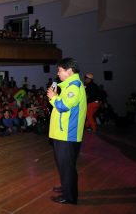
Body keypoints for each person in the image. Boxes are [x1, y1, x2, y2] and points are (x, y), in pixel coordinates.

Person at [47, 58, 87, 205]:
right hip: (64, 134)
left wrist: (52, 97)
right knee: (66, 166)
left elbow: (63, 106)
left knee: (67, 167)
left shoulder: (74, 87)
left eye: (60, 70)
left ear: (69, 71)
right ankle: (67, 187)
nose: (58, 73)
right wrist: (56, 95)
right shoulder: (70, 86)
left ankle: (69, 197)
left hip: (67, 135)